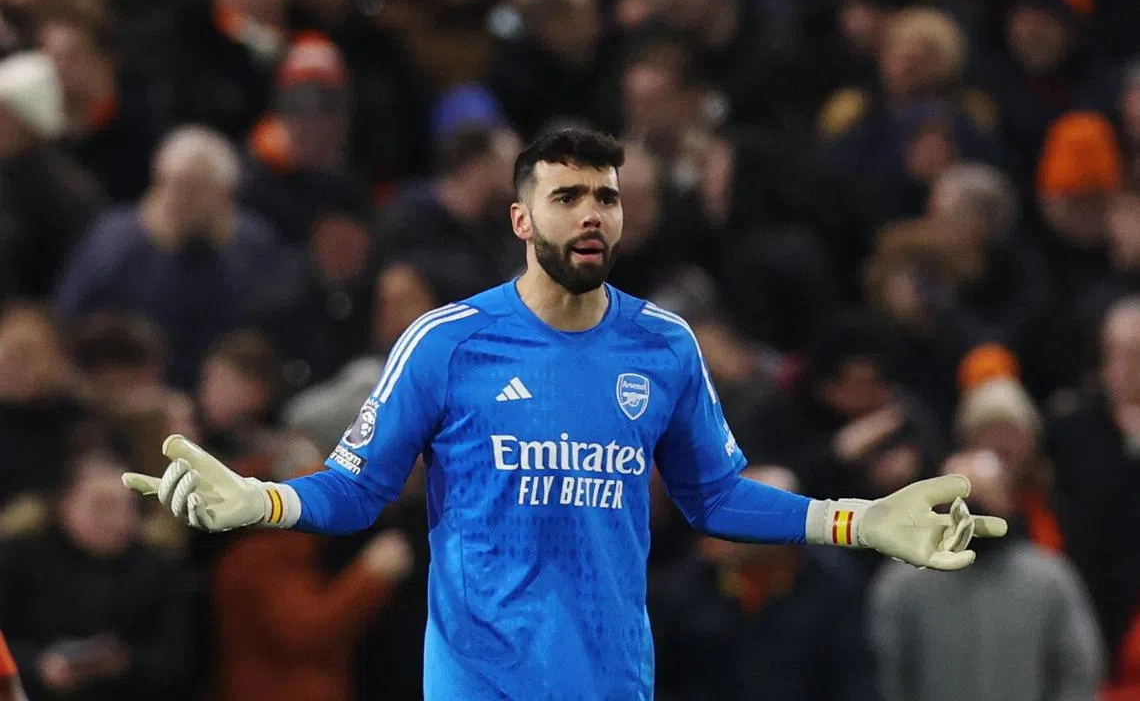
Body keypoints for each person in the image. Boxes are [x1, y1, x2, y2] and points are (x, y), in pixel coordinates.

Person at [123, 128, 1007, 699]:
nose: (592, 215)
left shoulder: (663, 346)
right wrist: (260, 498)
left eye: (607, 197)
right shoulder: (449, 342)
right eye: (568, 196)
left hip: (611, 678)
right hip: (479, 678)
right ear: (520, 217)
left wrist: (857, 520)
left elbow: (717, 499)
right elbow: (358, 489)